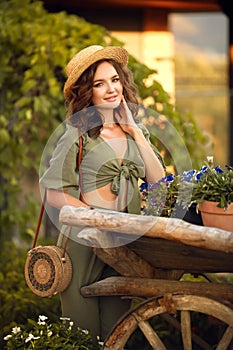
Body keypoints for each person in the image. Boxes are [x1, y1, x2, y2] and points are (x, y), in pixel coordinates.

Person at [39, 45, 165, 341]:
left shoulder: (137, 132)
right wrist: (94, 218)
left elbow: (158, 180)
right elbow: (53, 191)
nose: (111, 89)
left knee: (116, 335)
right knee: (84, 336)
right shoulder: (77, 133)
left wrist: (134, 130)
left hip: (124, 245)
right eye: (99, 83)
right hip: (83, 243)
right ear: (88, 92)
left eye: (115, 80)